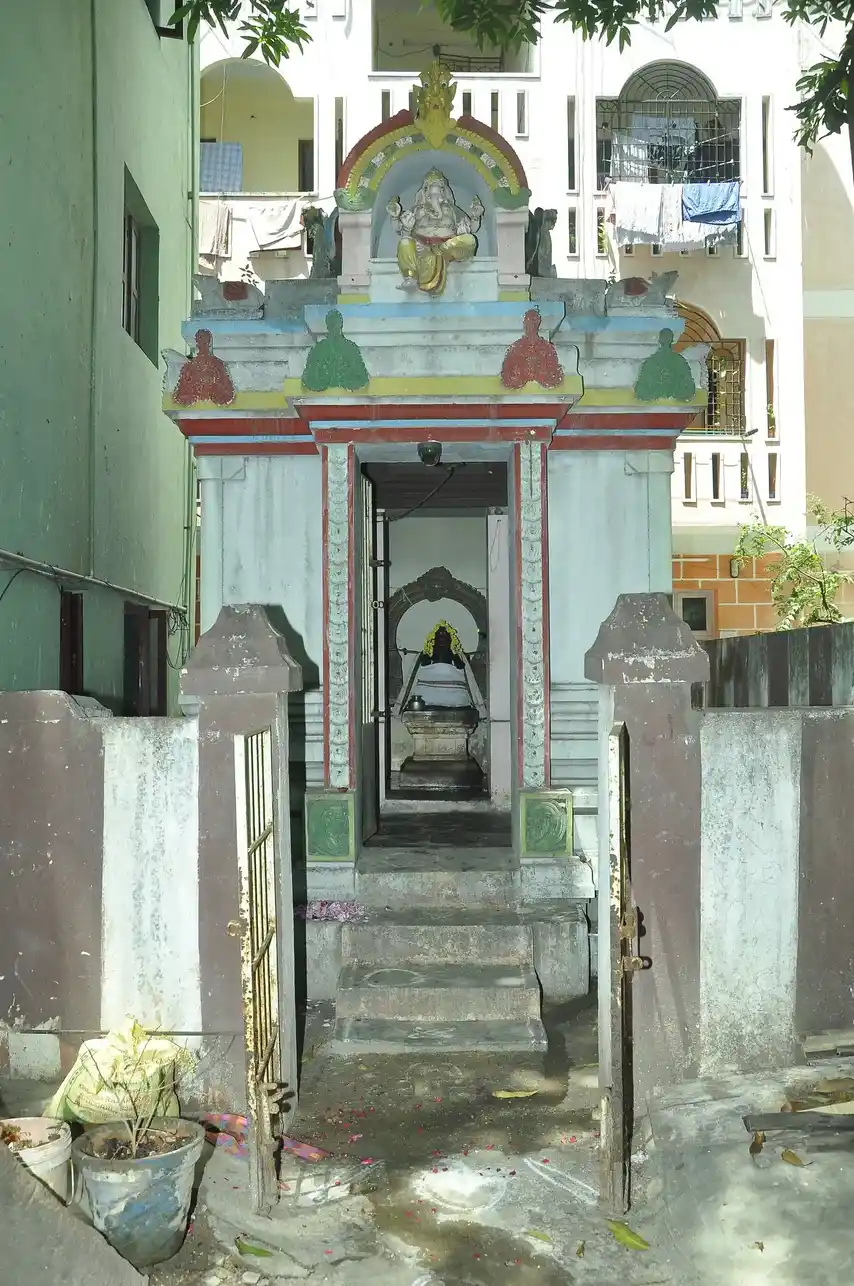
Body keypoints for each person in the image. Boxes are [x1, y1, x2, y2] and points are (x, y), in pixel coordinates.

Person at [387, 170, 484, 296]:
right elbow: (399, 229)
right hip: (421, 248)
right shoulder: (416, 210)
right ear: (424, 192)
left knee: (469, 240)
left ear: (444, 192)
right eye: (429, 189)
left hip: (447, 248)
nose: (435, 196)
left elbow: (473, 228)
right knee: (404, 243)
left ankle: (438, 250)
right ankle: (410, 277)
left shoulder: (452, 210)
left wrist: (475, 217)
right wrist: (395, 217)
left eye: (440, 190)